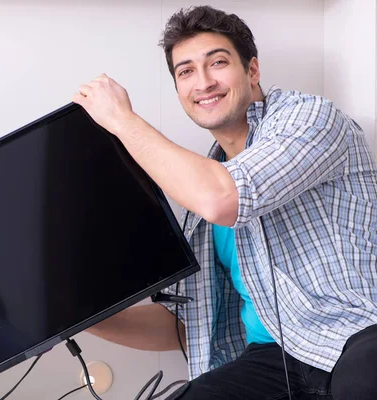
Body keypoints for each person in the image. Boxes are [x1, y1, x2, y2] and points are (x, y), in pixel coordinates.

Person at [73, 5, 377, 400]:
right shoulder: (201, 190)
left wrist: (122, 119)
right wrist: (82, 320)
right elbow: (189, 324)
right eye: (185, 71)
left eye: (217, 62)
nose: (203, 82)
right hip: (275, 360)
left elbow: (224, 197)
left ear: (252, 71)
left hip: (357, 331)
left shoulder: (310, 118)